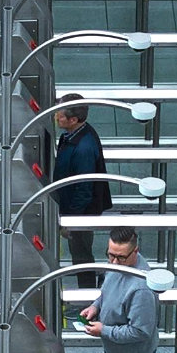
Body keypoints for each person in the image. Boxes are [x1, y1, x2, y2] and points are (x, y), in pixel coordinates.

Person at [54, 93, 114, 291]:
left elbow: (84, 190)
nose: (55, 117)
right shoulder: (75, 134)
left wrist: (70, 222)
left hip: (81, 212)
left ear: (73, 120)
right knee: (79, 251)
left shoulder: (83, 148)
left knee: (81, 254)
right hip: (74, 205)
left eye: (60, 115)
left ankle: (87, 294)